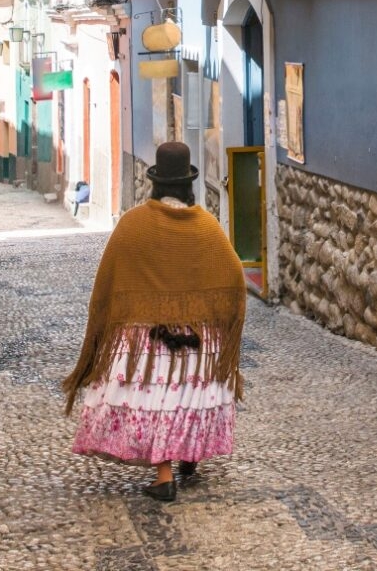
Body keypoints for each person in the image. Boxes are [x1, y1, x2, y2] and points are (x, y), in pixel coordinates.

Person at [62, 142, 246, 502]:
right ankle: (188, 455)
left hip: (147, 342)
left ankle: (165, 478)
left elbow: (109, 278)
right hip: (197, 339)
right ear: (188, 184)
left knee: (158, 399)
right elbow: (234, 275)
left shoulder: (134, 225)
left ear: (156, 182)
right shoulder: (207, 228)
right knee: (188, 395)